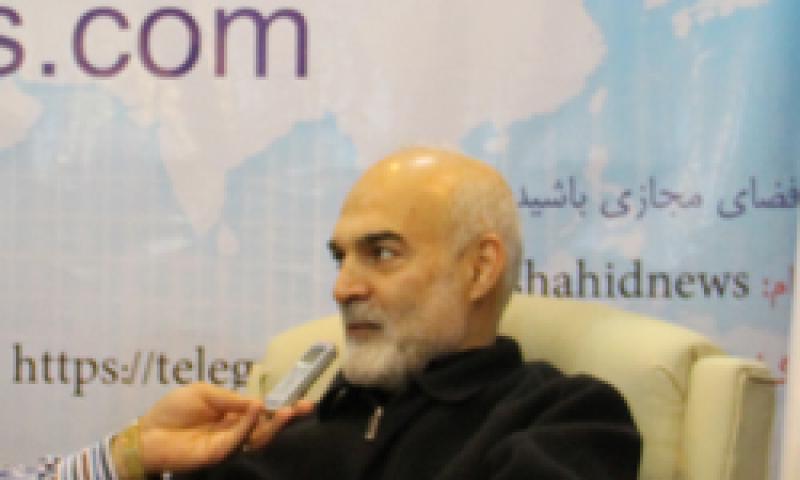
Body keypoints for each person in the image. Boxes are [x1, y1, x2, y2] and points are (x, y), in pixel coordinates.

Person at [44, 147, 641, 479]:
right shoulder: (271, 438)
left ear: (480, 269)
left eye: (382, 253)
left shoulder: (565, 418)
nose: (342, 288)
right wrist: (136, 454)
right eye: (340, 258)